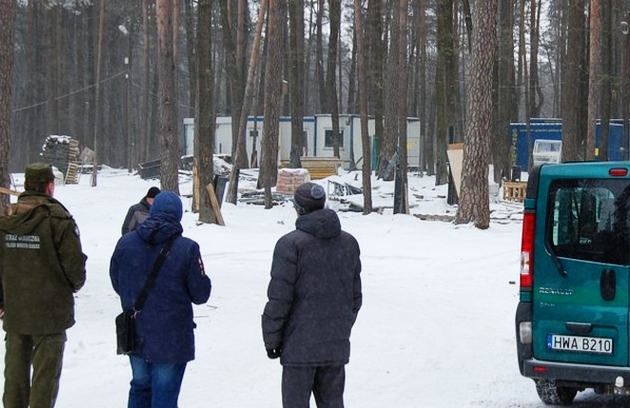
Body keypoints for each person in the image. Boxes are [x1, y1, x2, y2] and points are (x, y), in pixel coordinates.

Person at [262, 182, 362, 408]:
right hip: (333, 345)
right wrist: (339, 329)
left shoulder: (290, 244)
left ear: (298, 208)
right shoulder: (348, 243)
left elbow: (279, 299)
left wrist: (272, 339)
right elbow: (355, 298)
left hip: (298, 348)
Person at [110, 191, 211, 408]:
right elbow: (201, 294)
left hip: (135, 331)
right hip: (171, 337)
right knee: (164, 396)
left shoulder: (126, 244)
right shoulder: (187, 249)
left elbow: (117, 282)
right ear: (178, 216)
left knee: (139, 386)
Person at [0, 162, 87, 408]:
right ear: (50, 186)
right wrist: (74, 285)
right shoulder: (58, 219)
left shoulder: (7, 220)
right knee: (45, 380)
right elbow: (74, 268)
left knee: (14, 377)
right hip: (50, 313)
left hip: (16, 310)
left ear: (27, 185)